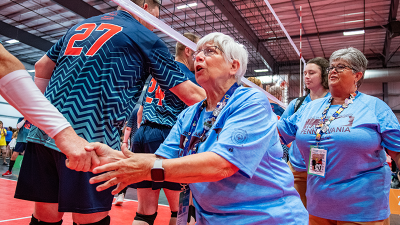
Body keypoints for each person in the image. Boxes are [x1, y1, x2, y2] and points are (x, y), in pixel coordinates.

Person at [12, 1, 206, 225]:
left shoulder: (80, 25)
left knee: (45, 217)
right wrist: (237, 103)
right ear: (145, 6)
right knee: (90, 218)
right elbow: (190, 94)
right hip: (91, 138)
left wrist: (39, 115)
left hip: (46, 132)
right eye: (157, 14)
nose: (156, 22)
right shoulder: (144, 36)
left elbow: (41, 66)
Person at [87, 32, 308, 224]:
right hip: (211, 218)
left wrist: (147, 168)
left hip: (266, 218)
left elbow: (222, 165)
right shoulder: (190, 114)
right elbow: (161, 158)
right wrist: (117, 159)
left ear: (234, 66)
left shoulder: (251, 101)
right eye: (197, 52)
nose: (198, 56)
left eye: (210, 51)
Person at [278, 47, 400, 224]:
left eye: (341, 67)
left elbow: (397, 151)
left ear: (358, 75)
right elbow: (277, 134)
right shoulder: (310, 107)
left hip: (362, 209)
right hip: (318, 206)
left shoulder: (375, 107)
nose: (333, 70)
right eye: (331, 67)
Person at [129, 32, 202, 225]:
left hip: (142, 135)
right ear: (188, 50)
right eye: (199, 53)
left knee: (144, 212)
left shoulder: (158, 74)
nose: (200, 59)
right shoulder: (187, 77)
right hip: (167, 137)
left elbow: (140, 112)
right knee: (182, 211)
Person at [279, 57, 330, 207]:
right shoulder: (297, 104)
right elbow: (280, 132)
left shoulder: (335, 102)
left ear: (324, 75)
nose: (306, 76)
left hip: (323, 166)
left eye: (312, 73)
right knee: (296, 211)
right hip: (296, 166)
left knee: (319, 211)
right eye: (305, 73)